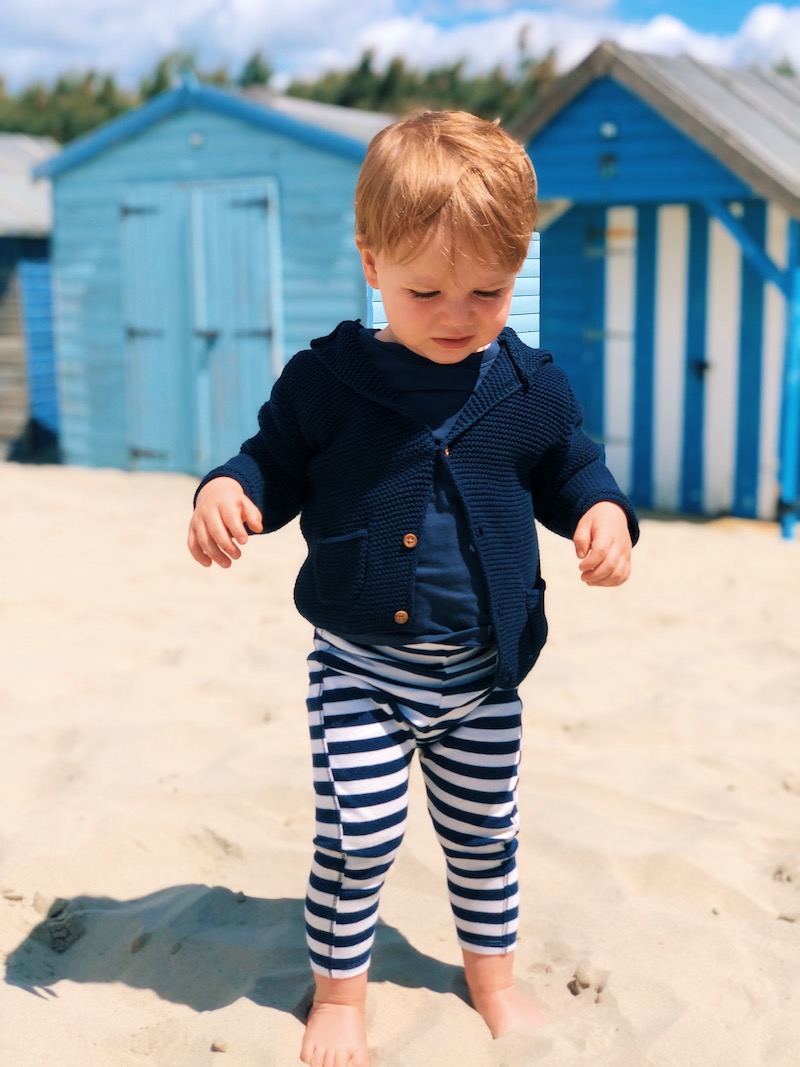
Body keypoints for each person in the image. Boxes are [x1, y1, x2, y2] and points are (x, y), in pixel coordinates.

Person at [188, 109, 638, 1067]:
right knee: (361, 838)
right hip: (360, 668)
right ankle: (341, 998)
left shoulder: (530, 385)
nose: (458, 313)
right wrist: (230, 490)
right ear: (371, 260)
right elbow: (273, 462)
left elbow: (571, 469)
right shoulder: (327, 381)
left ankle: (495, 981)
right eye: (426, 288)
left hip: (485, 674)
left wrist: (603, 512)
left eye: (490, 289)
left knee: (487, 838)